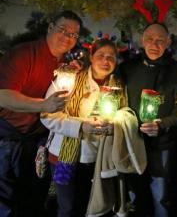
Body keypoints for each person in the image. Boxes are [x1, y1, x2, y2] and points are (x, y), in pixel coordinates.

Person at [41, 39, 145, 217]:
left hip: (99, 159)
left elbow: (124, 114)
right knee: (68, 208)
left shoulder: (118, 85)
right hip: (63, 155)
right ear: (91, 56)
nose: (106, 61)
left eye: (111, 57)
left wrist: (116, 126)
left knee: (94, 207)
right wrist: (81, 126)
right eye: (101, 56)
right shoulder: (70, 77)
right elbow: (47, 115)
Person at [0, 10, 82, 217]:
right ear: (50, 27)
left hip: (40, 139)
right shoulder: (23, 54)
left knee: (34, 197)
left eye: (73, 35)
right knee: (7, 199)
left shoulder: (66, 64)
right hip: (10, 137)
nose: (67, 37)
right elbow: (3, 97)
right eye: (63, 30)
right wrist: (44, 105)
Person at [119, 23, 177, 217]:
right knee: (135, 194)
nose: (154, 44)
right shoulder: (127, 68)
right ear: (142, 40)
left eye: (160, 40)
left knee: (161, 196)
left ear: (168, 42)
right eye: (150, 39)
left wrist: (163, 125)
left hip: (162, 146)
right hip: (132, 144)